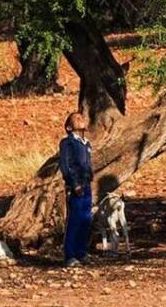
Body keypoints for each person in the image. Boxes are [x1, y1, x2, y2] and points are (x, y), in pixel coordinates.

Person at [58, 111, 93, 267]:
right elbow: (66, 165)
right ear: (69, 127)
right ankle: (70, 255)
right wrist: (74, 183)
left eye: (82, 118)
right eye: (77, 119)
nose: (81, 120)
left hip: (87, 185)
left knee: (86, 219)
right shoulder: (68, 143)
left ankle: (81, 252)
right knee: (74, 219)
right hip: (76, 186)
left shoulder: (86, 143)